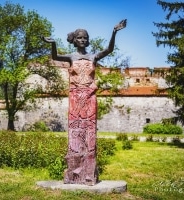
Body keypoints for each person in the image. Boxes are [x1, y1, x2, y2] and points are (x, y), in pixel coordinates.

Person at [42, 19, 126, 186]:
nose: (82, 40)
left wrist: (114, 32)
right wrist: (53, 43)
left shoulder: (93, 56)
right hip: (74, 96)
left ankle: (88, 173)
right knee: (75, 131)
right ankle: (73, 173)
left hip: (89, 96)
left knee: (89, 131)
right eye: (79, 38)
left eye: (85, 38)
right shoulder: (71, 57)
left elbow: (109, 50)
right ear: (74, 40)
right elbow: (55, 56)